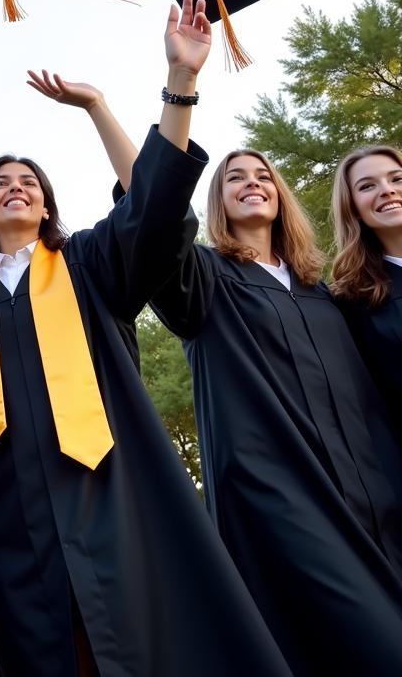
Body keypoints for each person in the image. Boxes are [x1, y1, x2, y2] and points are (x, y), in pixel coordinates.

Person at [0, 0, 291, 677]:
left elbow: (153, 208)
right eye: (1, 184)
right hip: (13, 504)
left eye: (29, 182)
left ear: (47, 204)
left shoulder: (88, 262)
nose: (16, 188)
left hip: (114, 481)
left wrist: (150, 92)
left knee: (153, 634)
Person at [85, 99, 402, 672]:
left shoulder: (328, 295)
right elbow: (154, 212)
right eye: (235, 178)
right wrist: (108, 106)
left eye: (263, 176)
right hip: (283, 506)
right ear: (218, 200)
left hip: (378, 500)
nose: (252, 184)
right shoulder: (203, 280)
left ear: (281, 195)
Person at [332, 144, 402, 434]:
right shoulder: (352, 302)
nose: (387, 190)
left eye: (397, 179)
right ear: (354, 210)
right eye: (367, 186)